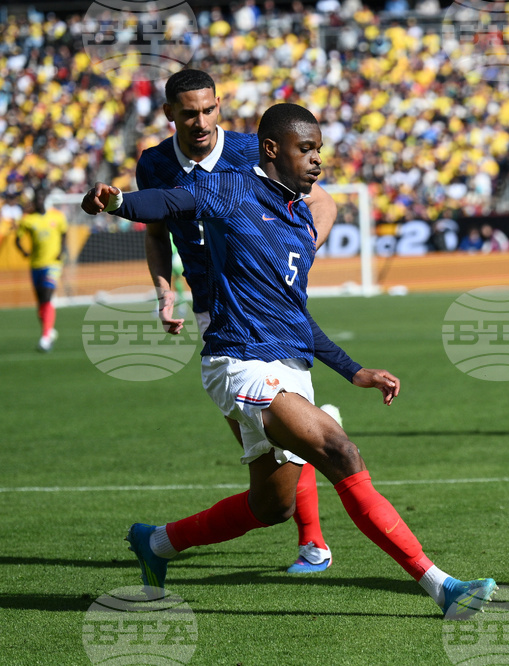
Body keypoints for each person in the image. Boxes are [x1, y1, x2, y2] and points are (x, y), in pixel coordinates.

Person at [81, 103, 497, 617]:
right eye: (306, 149)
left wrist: (354, 371)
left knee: (272, 505)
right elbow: (167, 202)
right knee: (340, 451)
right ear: (273, 149)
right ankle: (443, 587)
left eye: (319, 149)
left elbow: (294, 314)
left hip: (290, 366)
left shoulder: (299, 220)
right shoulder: (231, 189)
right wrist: (118, 201)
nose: (318, 159)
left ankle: (157, 543)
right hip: (241, 361)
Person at [137, 69, 340, 574]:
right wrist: (164, 291)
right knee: (267, 444)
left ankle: (313, 542)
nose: (201, 121)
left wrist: (301, 249)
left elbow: (323, 201)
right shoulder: (155, 164)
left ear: (219, 106)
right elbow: (157, 234)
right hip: (212, 312)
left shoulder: (254, 149)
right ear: (170, 114)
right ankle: (298, 525)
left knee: (283, 435)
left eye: (209, 109)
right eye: (189, 113)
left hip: (264, 305)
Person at [15, 188, 68, 352]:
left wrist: (62, 250)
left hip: (53, 264)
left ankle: (45, 337)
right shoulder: (28, 219)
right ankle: (48, 330)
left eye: (41, 198)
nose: (39, 201)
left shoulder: (57, 216)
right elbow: (17, 239)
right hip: (36, 264)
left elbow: (64, 234)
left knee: (46, 295)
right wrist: (24, 252)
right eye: (36, 198)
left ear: (45, 199)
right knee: (41, 302)